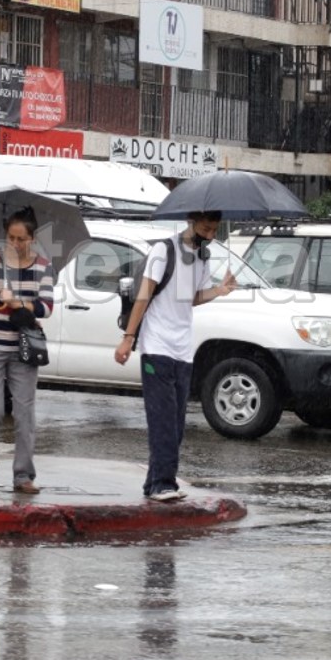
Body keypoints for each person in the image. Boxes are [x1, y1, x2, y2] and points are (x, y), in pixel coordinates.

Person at [113, 210, 237, 501]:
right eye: (206, 228)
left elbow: (190, 297)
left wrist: (220, 290)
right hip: (156, 346)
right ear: (192, 220)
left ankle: (153, 483)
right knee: (163, 420)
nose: (210, 235)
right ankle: (163, 484)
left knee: (177, 424)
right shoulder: (163, 250)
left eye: (214, 230)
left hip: (183, 349)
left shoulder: (202, 258)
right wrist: (128, 338)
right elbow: (144, 295)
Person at [0, 208, 55, 493]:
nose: (16, 244)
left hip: (23, 349)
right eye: (11, 237)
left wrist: (18, 302)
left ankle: (23, 476)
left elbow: (46, 307)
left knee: (24, 414)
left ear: (32, 239)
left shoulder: (43, 266)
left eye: (21, 239)